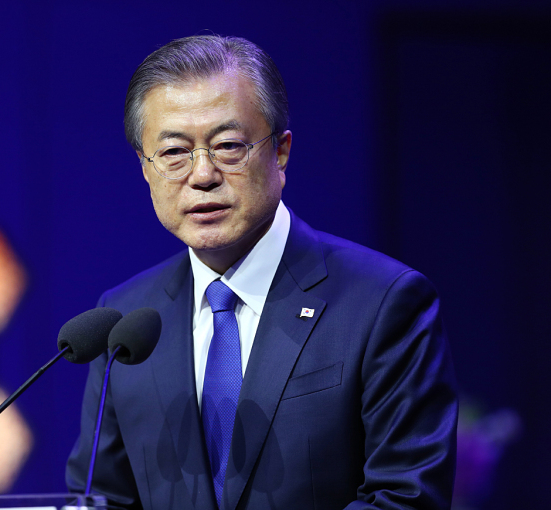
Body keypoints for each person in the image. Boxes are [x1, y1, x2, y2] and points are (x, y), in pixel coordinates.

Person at [66, 35, 458, 510]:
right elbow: (102, 498)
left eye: (228, 145)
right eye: (173, 152)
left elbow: (404, 497)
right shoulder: (124, 319)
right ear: (145, 169)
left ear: (280, 151)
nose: (202, 174)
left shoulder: (382, 303)